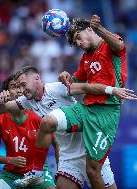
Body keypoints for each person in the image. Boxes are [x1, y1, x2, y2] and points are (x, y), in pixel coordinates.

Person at [16, 14, 129, 189]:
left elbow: (119, 45)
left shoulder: (110, 45)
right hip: (86, 109)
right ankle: (37, 173)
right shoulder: (86, 58)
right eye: (76, 43)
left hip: (106, 114)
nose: (79, 43)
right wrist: (65, 77)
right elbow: (73, 84)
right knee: (47, 122)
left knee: (93, 172)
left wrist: (100, 28)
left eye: (78, 38)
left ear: (90, 29)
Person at [0, 66, 136, 188]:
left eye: (23, 84)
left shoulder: (57, 88)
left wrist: (112, 91)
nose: (21, 90)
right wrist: (0, 100)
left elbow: (87, 87)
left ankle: (36, 172)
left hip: (90, 150)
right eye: (18, 86)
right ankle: (37, 173)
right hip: (68, 158)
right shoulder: (27, 101)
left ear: (37, 78)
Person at [0, 74, 58, 189]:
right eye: (14, 87)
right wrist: (9, 160)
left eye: (21, 86)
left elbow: (56, 143)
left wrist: (60, 172)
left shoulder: (38, 114)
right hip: (11, 174)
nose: (19, 90)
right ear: (6, 93)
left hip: (38, 173)